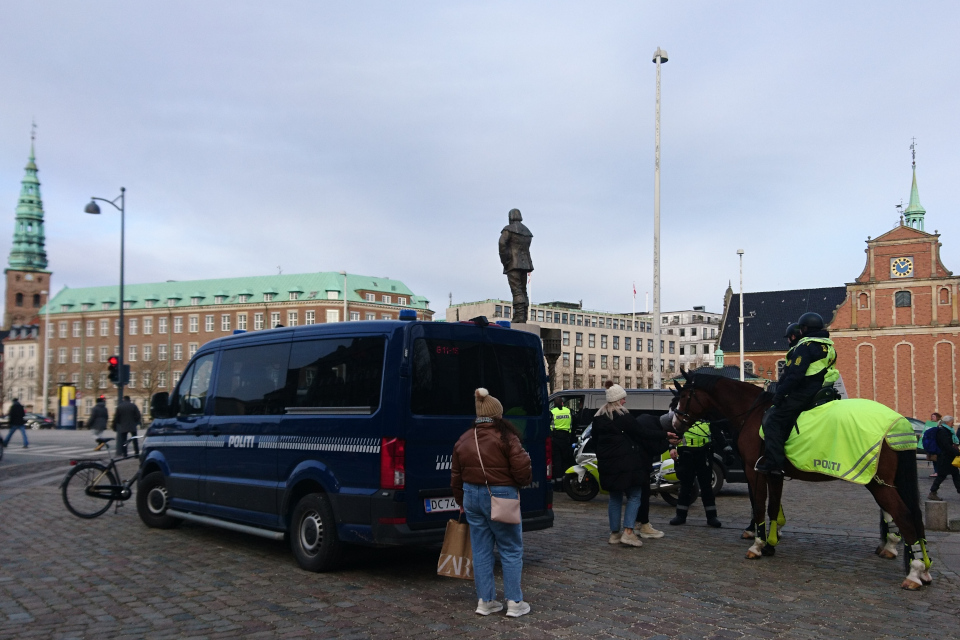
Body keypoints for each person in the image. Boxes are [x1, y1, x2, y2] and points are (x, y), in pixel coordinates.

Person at [451, 388, 532, 618]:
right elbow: (522, 468)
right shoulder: (506, 436)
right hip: (501, 496)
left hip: (471, 497)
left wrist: (461, 500)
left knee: (481, 550)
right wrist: (522, 481)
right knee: (510, 548)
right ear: (497, 414)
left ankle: (485, 601)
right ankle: (515, 602)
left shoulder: (464, 439)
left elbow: (455, 475)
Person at [756, 312, 840, 476]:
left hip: (805, 392)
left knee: (774, 419)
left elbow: (795, 375)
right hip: (824, 390)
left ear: (805, 329)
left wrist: (779, 395)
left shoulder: (806, 347)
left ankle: (774, 464)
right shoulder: (829, 347)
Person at [593, 382, 669, 546]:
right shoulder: (624, 417)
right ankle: (628, 532)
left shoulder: (598, 419)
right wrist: (664, 435)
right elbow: (643, 432)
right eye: (623, 398)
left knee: (615, 498)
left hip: (608, 465)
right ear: (618, 400)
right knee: (635, 495)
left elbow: (595, 443)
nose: (625, 401)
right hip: (627, 465)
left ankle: (614, 534)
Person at [668, 418, 722, 528]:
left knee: (706, 487)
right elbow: (674, 433)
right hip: (686, 454)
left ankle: (712, 517)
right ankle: (680, 516)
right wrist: (672, 448)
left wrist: (726, 448)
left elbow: (716, 432)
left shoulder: (707, 416)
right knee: (685, 487)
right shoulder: (684, 417)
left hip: (704, 454)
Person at [498, 208, 534, 324]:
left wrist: (506, 260)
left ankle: (519, 316)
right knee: (523, 290)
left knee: (517, 290)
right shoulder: (527, 231)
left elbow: (502, 244)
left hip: (513, 264)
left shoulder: (508, 230)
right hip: (526, 264)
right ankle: (523, 315)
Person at [928, 415, 960, 501]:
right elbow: (946, 445)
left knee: (956, 475)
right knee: (942, 475)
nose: (953, 424)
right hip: (944, 457)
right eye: (952, 422)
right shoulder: (942, 431)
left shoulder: (947, 430)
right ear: (947, 422)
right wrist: (956, 452)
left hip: (949, 457)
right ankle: (932, 492)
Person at [550, 398, 573, 485]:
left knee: (557, 460)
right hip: (566, 438)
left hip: (555, 438)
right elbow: (572, 424)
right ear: (563, 403)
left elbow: (549, 425)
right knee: (565, 460)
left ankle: (558, 482)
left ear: (555, 404)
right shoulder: (568, 411)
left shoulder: (552, 412)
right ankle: (566, 481)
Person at [927, 412, 942, 478]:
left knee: (937, 458)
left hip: (937, 443)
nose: (932, 418)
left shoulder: (940, 424)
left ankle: (937, 472)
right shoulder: (930, 424)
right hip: (932, 443)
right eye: (932, 416)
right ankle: (936, 471)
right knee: (934, 458)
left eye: (933, 416)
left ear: (937, 417)